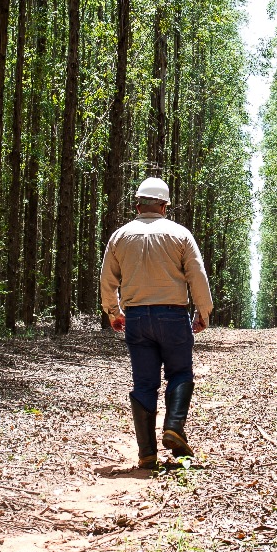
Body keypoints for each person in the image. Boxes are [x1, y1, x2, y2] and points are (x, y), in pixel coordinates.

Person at [100, 177, 212, 469]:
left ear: (138, 204)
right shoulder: (180, 234)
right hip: (172, 315)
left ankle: (146, 452)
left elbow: (107, 279)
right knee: (180, 372)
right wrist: (203, 311)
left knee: (144, 382)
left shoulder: (120, 236)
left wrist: (113, 311)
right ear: (164, 205)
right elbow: (196, 275)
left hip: (136, 317)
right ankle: (173, 427)